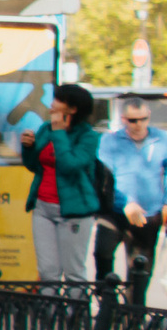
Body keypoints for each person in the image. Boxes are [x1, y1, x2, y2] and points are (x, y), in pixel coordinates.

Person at [22, 81, 102, 282]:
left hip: (73, 211)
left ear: (73, 109)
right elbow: (34, 166)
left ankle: (76, 313)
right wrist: (28, 147)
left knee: (74, 272)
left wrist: (59, 133)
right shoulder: (46, 128)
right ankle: (51, 313)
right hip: (42, 207)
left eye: (59, 100)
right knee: (48, 271)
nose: (53, 103)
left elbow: (69, 165)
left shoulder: (88, 136)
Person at [98, 97, 167, 302]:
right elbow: (107, 175)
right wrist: (127, 201)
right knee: (102, 251)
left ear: (148, 117)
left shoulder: (161, 139)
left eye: (143, 119)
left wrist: (166, 203)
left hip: (148, 212)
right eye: (132, 120)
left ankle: (133, 316)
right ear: (123, 119)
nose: (138, 125)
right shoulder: (110, 141)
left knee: (140, 267)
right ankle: (106, 300)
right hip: (115, 210)